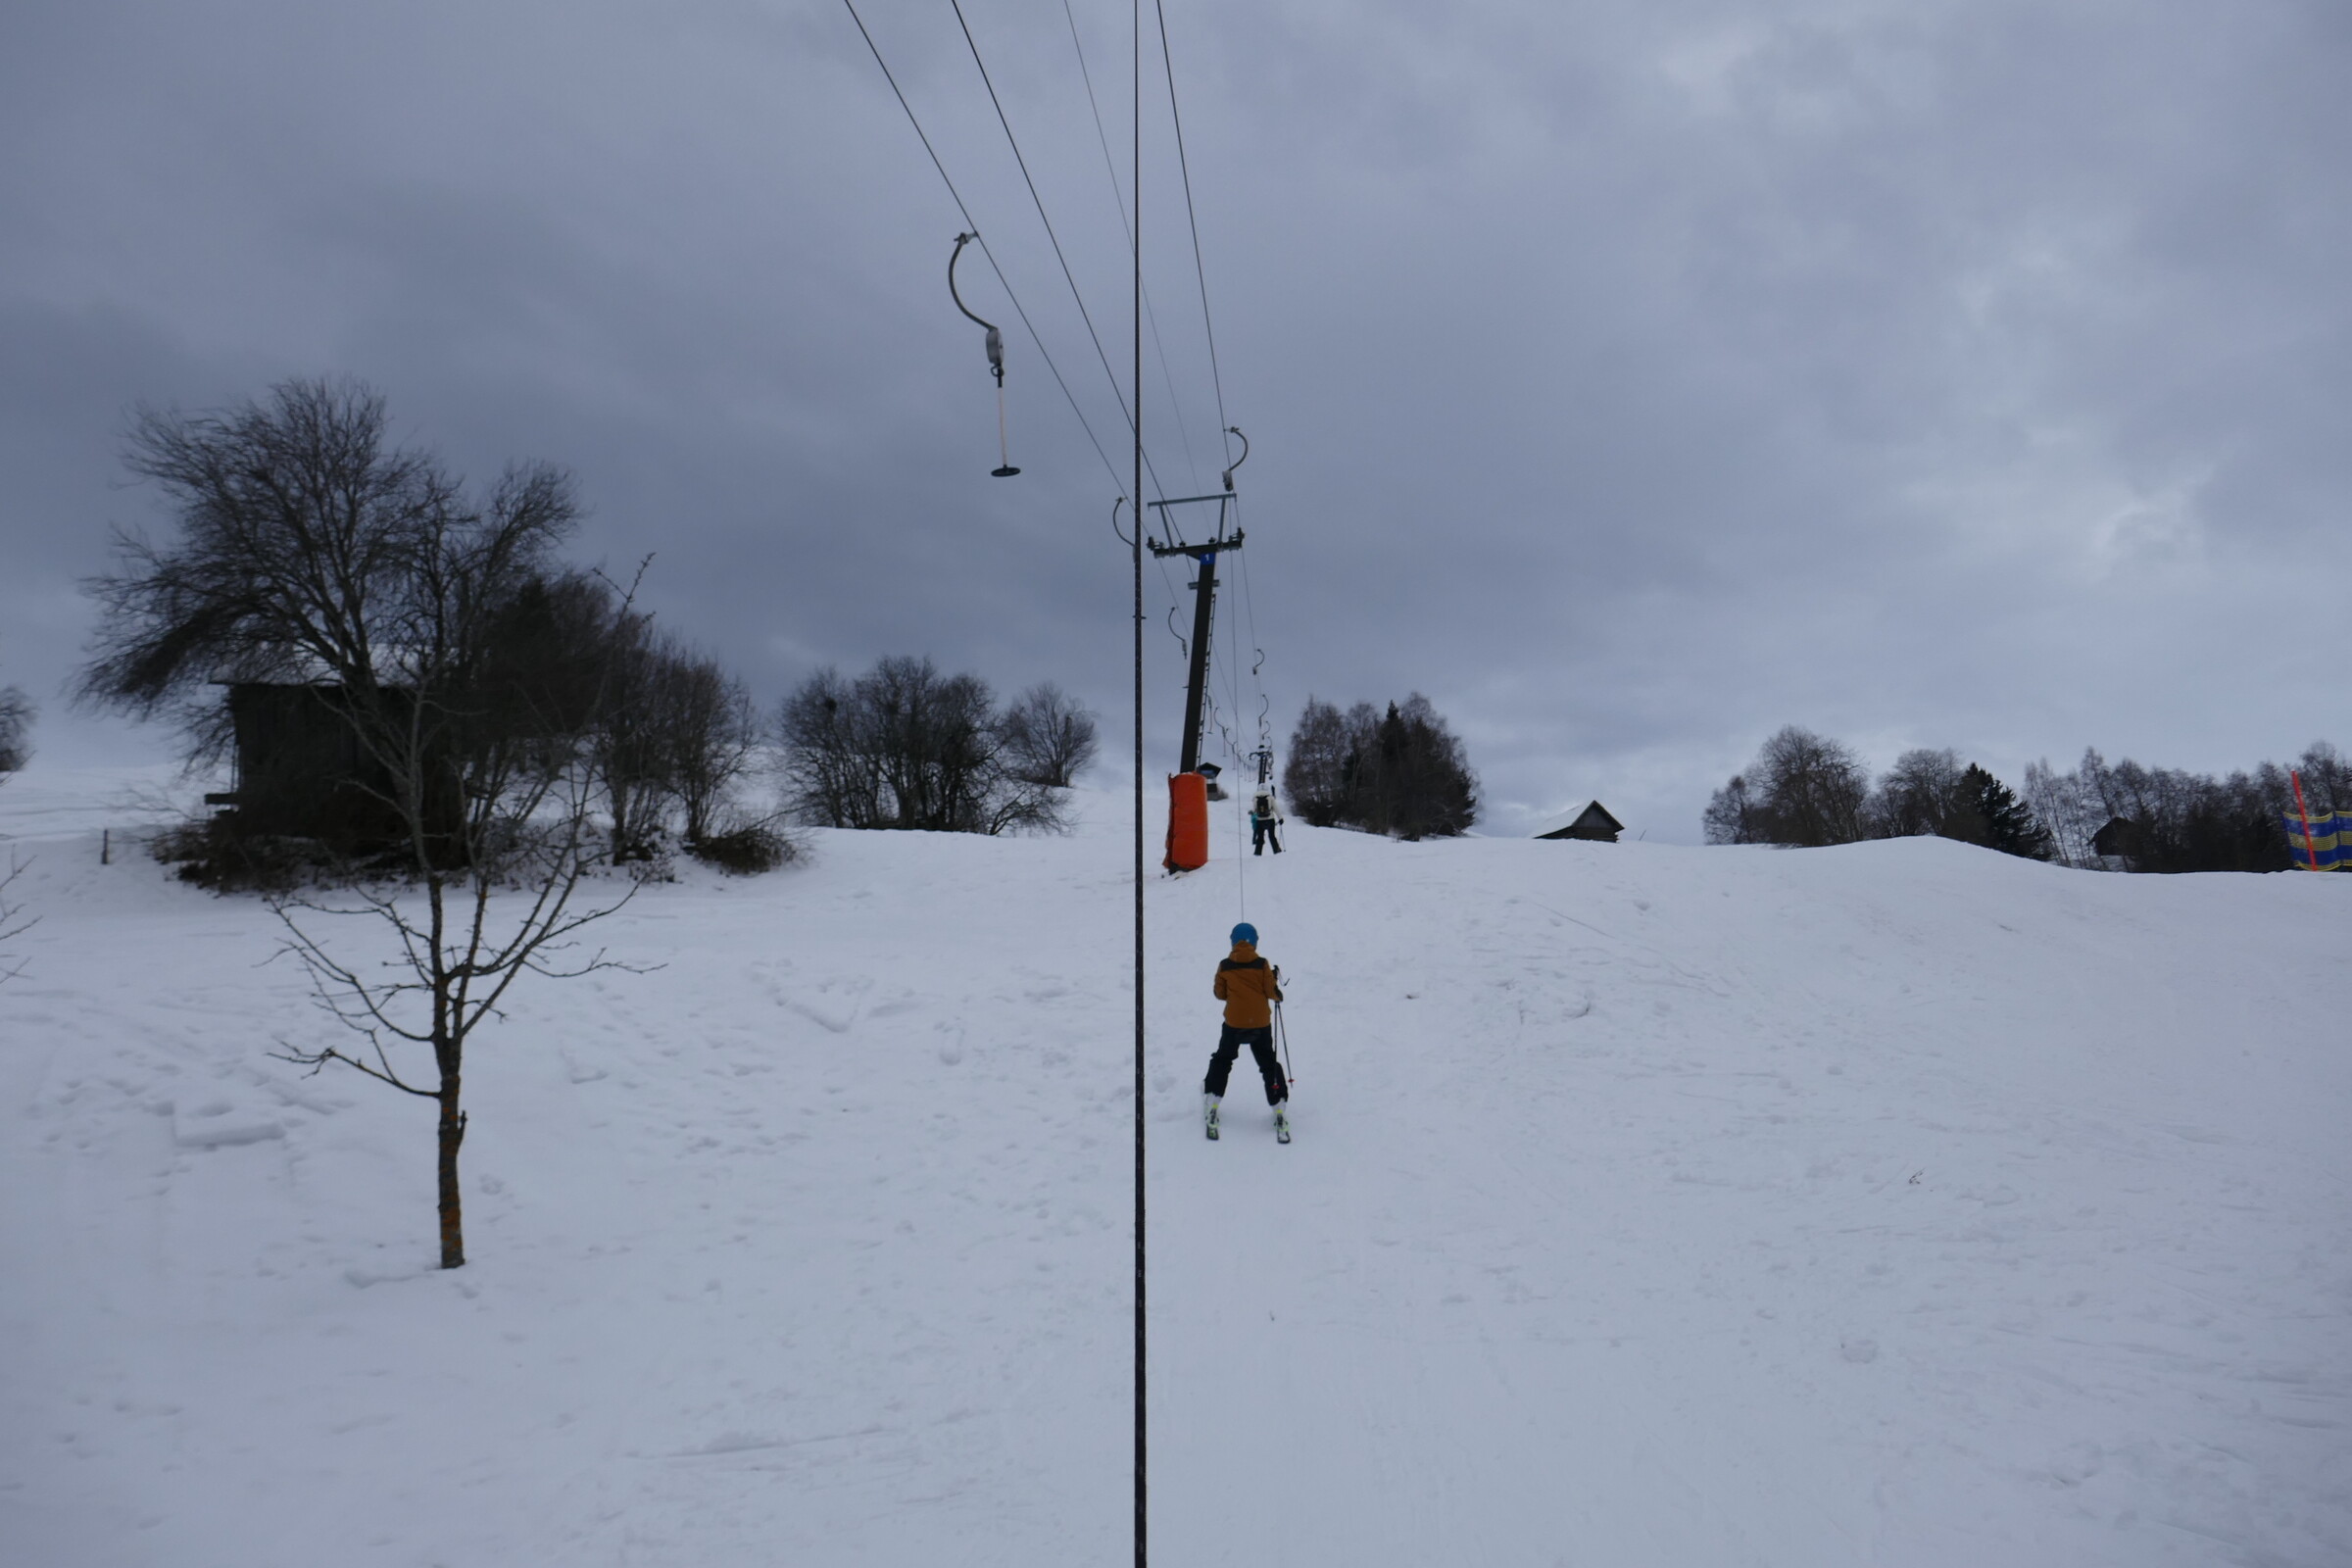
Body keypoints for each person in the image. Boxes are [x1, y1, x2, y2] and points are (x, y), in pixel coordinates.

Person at [1205, 921, 1289, 1142]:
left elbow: (1219, 994)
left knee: (1223, 1059)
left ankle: (1212, 1101)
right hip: (1260, 1023)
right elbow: (1270, 991)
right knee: (1268, 1063)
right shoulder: (1261, 964)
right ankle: (1279, 1107)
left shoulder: (1225, 965)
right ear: (1255, 941)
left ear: (1233, 941)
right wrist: (1277, 992)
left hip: (1234, 1023)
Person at [1249, 787, 1285, 857]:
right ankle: (1277, 851)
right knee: (1272, 836)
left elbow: (1254, 810)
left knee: (1260, 837)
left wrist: (1252, 813)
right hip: (1270, 819)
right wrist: (1280, 818)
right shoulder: (1270, 797)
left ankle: (1257, 853)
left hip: (1259, 820)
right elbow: (1276, 808)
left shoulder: (1255, 798)